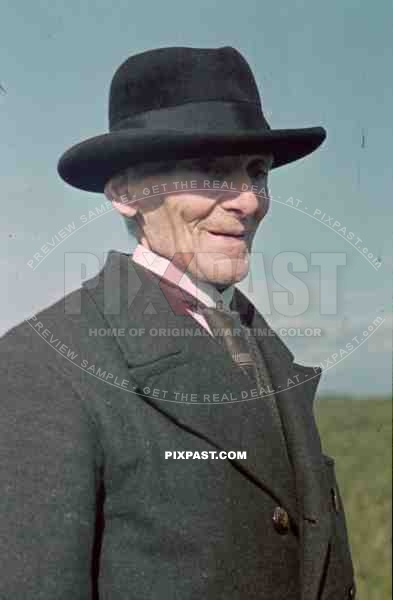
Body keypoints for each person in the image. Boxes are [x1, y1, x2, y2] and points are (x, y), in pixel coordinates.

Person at [0, 46, 356, 599]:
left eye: (256, 173)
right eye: (210, 172)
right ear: (125, 193)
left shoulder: (262, 347)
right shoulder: (42, 367)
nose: (247, 200)